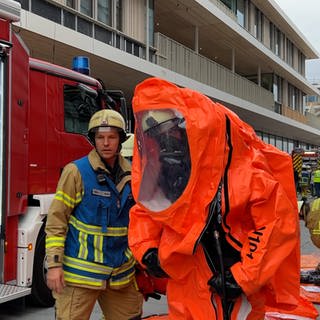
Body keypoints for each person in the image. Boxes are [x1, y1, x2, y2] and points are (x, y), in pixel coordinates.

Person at [128, 78, 318, 319]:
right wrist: (146, 248)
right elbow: (148, 210)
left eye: (170, 133)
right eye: (158, 136)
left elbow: (275, 224)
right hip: (184, 286)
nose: (166, 143)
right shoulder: (169, 175)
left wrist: (242, 276)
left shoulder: (243, 174)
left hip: (229, 289)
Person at [45, 109, 143, 320]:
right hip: (81, 276)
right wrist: (54, 264)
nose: (106, 143)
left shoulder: (134, 174)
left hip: (120, 274)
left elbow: (142, 221)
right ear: (93, 140)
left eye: (111, 137)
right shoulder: (76, 172)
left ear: (120, 140)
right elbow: (56, 222)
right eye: (100, 137)